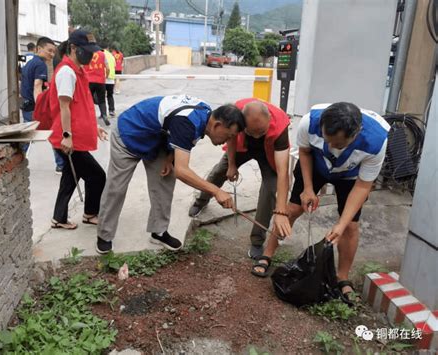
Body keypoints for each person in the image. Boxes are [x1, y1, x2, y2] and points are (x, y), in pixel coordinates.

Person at [253, 102, 390, 301]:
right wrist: (308, 189)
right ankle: (267, 253)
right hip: (315, 164)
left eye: (339, 144)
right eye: (328, 140)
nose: (332, 147)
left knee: (350, 225)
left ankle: (342, 277)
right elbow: (306, 152)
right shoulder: (310, 122)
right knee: (292, 209)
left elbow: (362, 186)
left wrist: (340, 225)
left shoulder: (376, 142)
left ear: (356, 133)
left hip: (351, 177)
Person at [96, 95, 245, 254]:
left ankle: (158, 231)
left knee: (165, 181)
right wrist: (216, 190)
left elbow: (179, 137)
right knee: (116, 188)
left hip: (155, 140)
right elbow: (183, 171)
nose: (227, 141)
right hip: (129, 133)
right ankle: (104, 235)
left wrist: (169, 157)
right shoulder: (188, 121)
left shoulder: (205, 115)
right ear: (217, 125)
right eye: (229, 136)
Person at [189, 99, 292, 263]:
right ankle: (201, 201)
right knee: (218, 172)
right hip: (241, 147)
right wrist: (231, 164)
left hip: (268, 152)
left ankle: (257, 240)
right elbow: (230, 137)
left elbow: (282, 172)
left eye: (261, 132)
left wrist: (281, 210)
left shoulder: (280, 126)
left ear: (269, 122)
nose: (257, 136)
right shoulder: (236, 114)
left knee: (270, 191)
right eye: (253, 133)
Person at [48, 29, 108, 230]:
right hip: (68, 140)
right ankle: (90, 213)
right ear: (73, 48)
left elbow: (80, 106)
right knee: (97, 176)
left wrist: (95, 126)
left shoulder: (77, 71)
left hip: (73, 137)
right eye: (87, 51)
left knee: (70, 177)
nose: (91, 55)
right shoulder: (66, 72)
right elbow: (64, 106)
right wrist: (67, 136)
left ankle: (59, 218)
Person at [20, 37, 64, 173]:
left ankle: (17, 160)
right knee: (54, 132)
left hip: (26, 105)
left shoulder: (29, 63)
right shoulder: (40, 64)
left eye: (53, 52)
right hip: (34, 107)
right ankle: (61, 165)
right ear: (39, 48)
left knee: (28, 136)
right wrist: (42, 108)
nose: (51, 54)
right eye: (49, 51)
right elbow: (37, 85)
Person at [84, 49, 110, 126]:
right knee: (102, 99)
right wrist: (106, 76)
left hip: (89, 81)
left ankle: (89, 117)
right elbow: (108, 68)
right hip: (100, 80)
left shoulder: (86, 53)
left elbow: (82, 66)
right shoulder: (102, 54)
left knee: (88, 99)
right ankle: (104, 115)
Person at [101, 43, 116, 117]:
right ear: (108, 48)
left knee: (102, 96)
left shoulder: (101, 54)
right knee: (110, 95)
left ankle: (103, 113)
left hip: (103, 78)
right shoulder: (111, 56)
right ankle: (111, 110)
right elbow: (114, 65)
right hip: (111, 79)